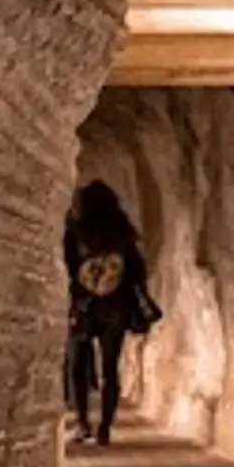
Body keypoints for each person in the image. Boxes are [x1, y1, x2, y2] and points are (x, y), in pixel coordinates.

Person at [62, 180, 158, 445]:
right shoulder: (123, 235)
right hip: (115, 309)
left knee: (77, 366)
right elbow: (137, 273)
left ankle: (82, 423)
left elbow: (66, 268)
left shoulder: (76, 233)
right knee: (109, 369)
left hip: (83, 307)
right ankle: (104, 427)